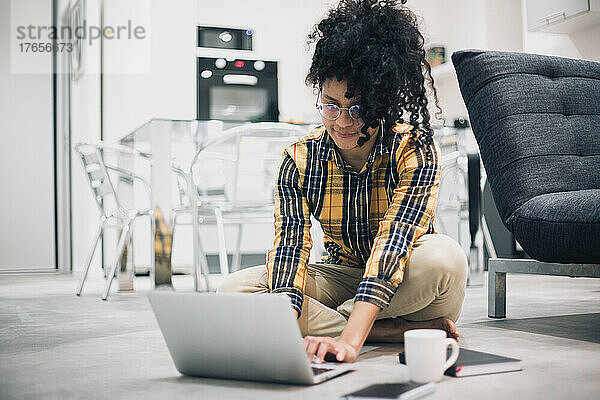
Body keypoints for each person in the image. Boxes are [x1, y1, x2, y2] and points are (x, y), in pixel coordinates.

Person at [218, 0, 467, 364]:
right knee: (232, 291)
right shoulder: (299, 160)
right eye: (331, 105)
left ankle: (354, 328)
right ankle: (385, 331)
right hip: (341, 274)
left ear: (382, 102)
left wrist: (349, 343)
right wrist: (285, 322)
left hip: (411, 280)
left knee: (445, 258)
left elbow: (392, 245)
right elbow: (290, 248)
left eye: (358, 107)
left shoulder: (413, 148)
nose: (343, 122)